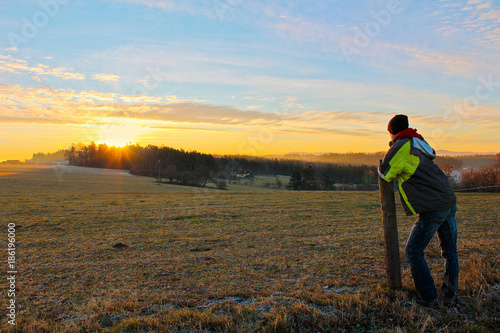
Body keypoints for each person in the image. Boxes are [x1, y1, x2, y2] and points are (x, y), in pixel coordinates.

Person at [378, 114, 459, 308]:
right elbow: (431, 154)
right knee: (450, 252)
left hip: (432, 206)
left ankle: (429, 297)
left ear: (391, 132)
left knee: (413, 251)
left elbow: (385, 173)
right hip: (447, 199)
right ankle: (450, 297)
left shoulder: (400, 146)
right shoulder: (418, 142)